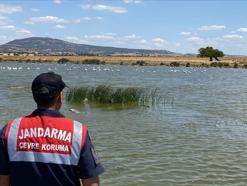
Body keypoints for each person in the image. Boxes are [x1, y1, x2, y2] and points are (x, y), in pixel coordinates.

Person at [0, 72, 105, 186]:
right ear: (59, 97)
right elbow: (91, 182)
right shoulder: (78, 132)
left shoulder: (10, 130)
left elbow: (3, 181)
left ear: (34, 96)